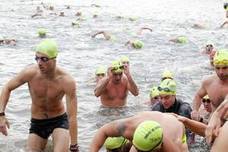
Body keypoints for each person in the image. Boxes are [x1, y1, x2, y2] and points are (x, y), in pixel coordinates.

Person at [0, 39, 78, 152]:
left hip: (58, 120)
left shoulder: (67, 81)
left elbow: (72, 116)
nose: (39, 63)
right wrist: (1, 115)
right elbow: (7, 87)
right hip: (38, 122)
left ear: (54, 59)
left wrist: (74, 145)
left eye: (44, 59)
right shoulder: (30, 73)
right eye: (37, 58)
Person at [90, 111, 188, 152]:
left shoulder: (172, 146)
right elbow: (103, 131)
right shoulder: (129, 127)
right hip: (153, 119)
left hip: (174, 124)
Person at [191, 50, 228, 120]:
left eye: (225, 68)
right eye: (217, 68)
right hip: (211, 125)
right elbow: (198, 96)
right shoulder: (209, 82)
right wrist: (195, 110)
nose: (221, 72)